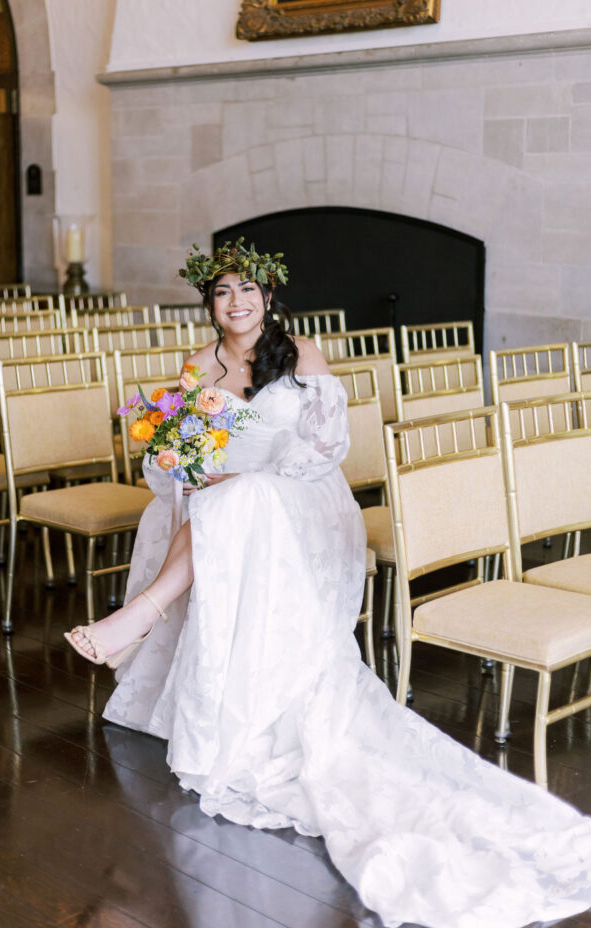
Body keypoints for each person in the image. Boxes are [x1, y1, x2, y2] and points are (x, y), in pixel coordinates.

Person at [66, 242, 591, 928]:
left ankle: (138, 613)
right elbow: (174, 454)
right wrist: (189, 468)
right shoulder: (197, 367)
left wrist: (250, 479)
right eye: (223, 293)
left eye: (247, 291)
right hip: (228, 504)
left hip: (302, 498)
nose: (236, 304)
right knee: (212, 503)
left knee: (237, 501)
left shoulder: (303, 353)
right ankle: (146, 614)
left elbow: (324, 448)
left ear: (268, 297)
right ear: (210, 304)